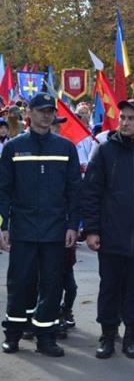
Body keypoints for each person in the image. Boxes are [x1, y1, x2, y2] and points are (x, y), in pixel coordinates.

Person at [81, 99, 134, 359]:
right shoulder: (105, 150)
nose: (125, 122)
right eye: (122, 118)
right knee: (109, 287)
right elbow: (91, 193)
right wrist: (92, 229)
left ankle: (131, 336)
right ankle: (108, 336)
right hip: (111, 234)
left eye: (131, 118)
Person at [0, 93, 81, 357]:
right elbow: (3, 191)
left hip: (55, 229)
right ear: (29, 114)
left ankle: (45, 336)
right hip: (22, 228)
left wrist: (72, 225)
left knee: (51, 282)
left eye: (50, 111)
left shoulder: (65, 148)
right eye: (42, 110)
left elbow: (74, 192)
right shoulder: (14, 148)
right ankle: (13, 333)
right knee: (19, 282)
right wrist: (2, 226)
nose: (47, 115)